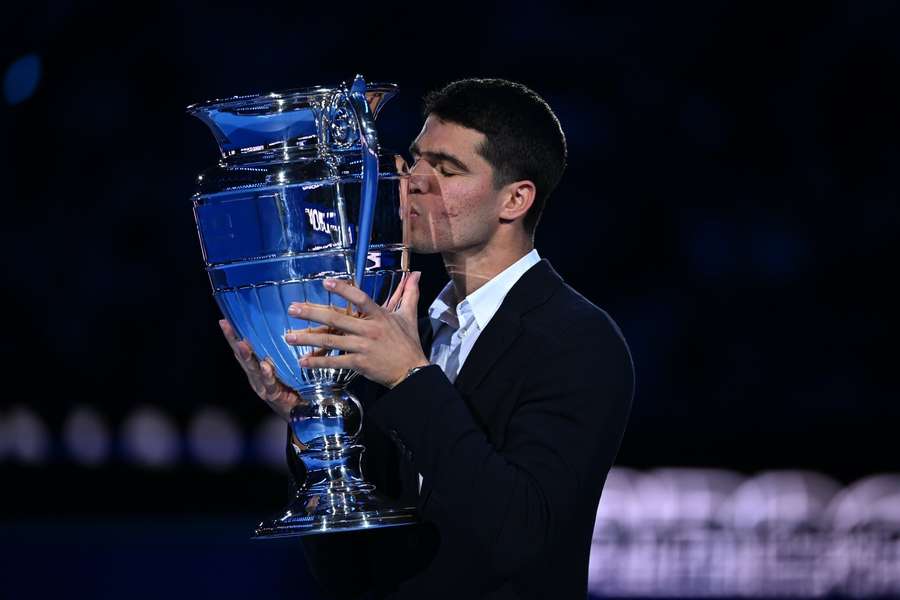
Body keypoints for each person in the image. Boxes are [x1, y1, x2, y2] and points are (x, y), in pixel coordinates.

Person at [218, 78, 634, 599]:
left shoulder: (579, 342)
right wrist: (311, 418)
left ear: (515, 199)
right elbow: (345, 569)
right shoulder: (401, 331)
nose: (413, 181)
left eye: (446, 169)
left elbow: (521, 538)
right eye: (415, 160)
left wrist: (411, 379)